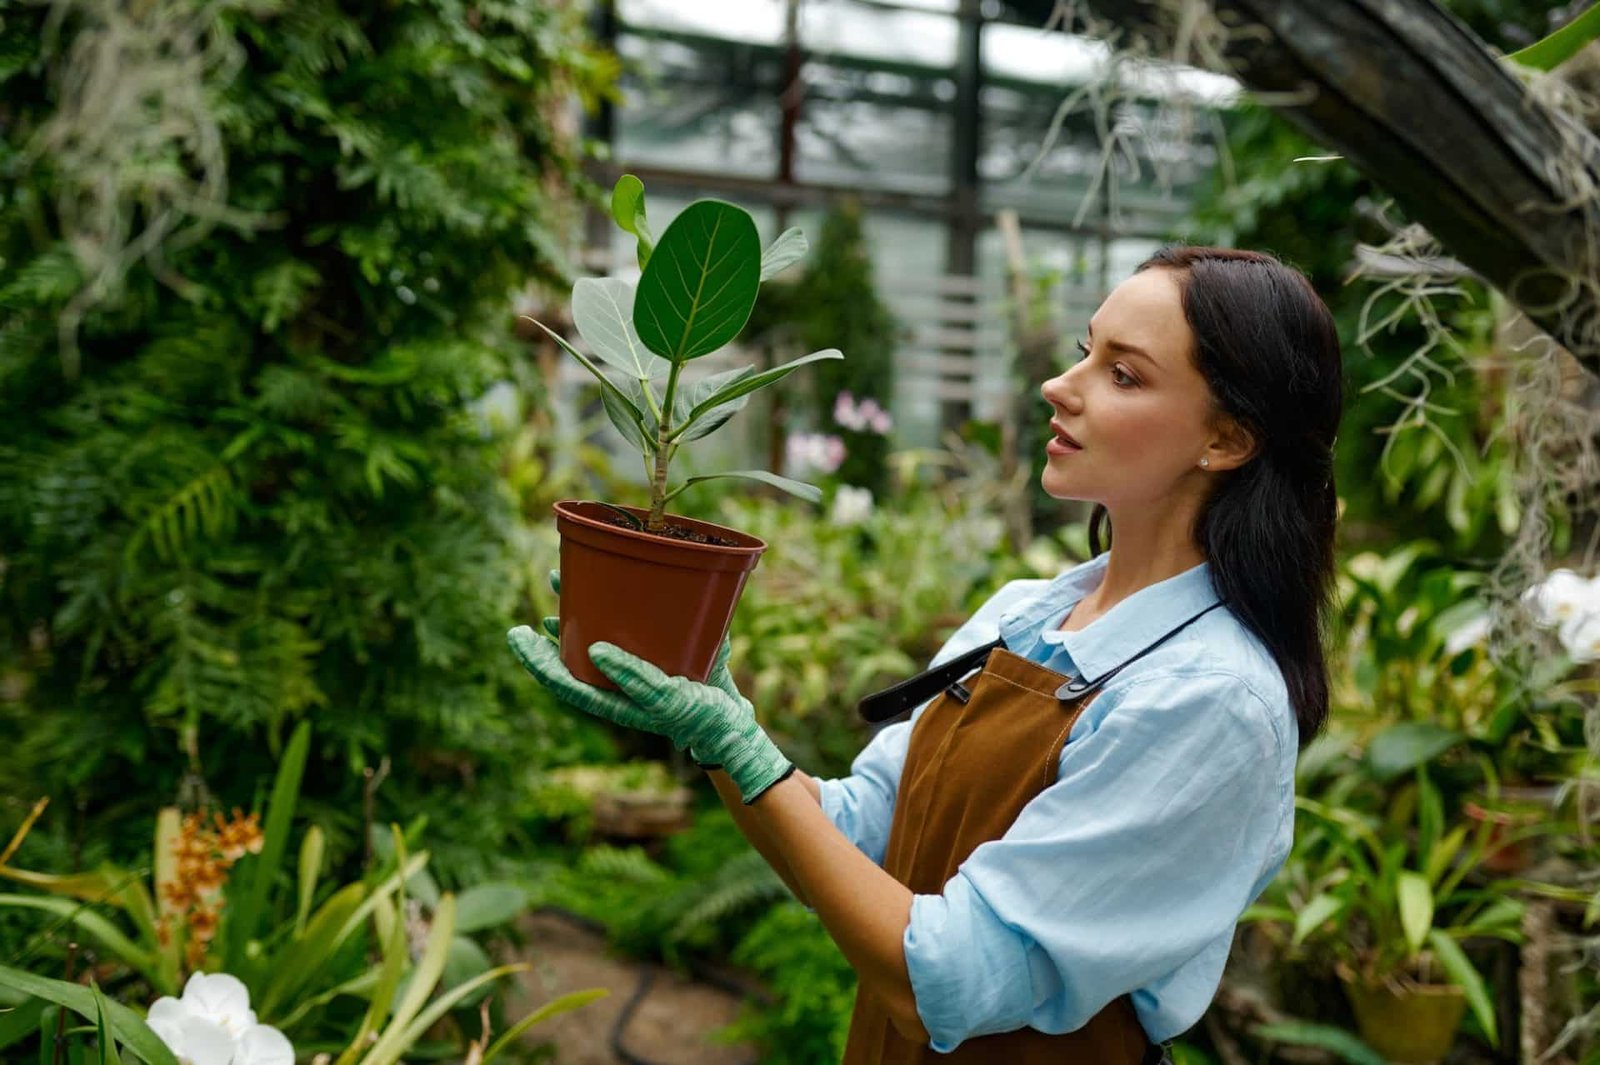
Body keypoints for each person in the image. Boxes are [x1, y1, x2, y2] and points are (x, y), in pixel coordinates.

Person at [508, 245, 1345, 1063]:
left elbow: (941, 974)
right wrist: (719, 725)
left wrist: (744, 753)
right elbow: (849, 839)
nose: (1060, 385)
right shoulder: (1027, 614)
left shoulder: (1210, 700)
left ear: (1228, 440)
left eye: (1122, 374)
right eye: (1085, 352)